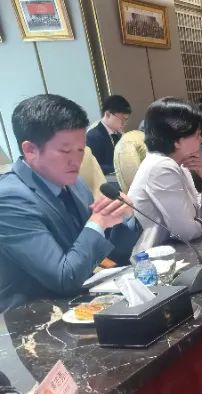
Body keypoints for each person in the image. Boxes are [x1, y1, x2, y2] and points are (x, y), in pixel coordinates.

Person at [0, 94, 139, 311]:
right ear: (30, 150)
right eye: (65, 151)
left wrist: (124, 219)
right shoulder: (9, 199)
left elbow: (107, 256)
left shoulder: (75, 185)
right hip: (32, 317)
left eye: (81, 150)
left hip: (80, 301)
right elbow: (64, 279)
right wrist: (98, 223)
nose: (76, 160)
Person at [128, 98, 202, 249]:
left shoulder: (180, 164)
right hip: (154, 257)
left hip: (178, 250)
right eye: (197, 135)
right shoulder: (161, 167)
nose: (201, 140)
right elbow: (186, 232)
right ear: (177, 140)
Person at [86, 94, 131, 175]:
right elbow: (93, 166)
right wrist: (120, 167)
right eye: (122, 119)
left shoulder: (120, 134)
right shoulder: (93, 136)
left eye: (126, 120)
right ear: (108, 114)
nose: (125, 123)